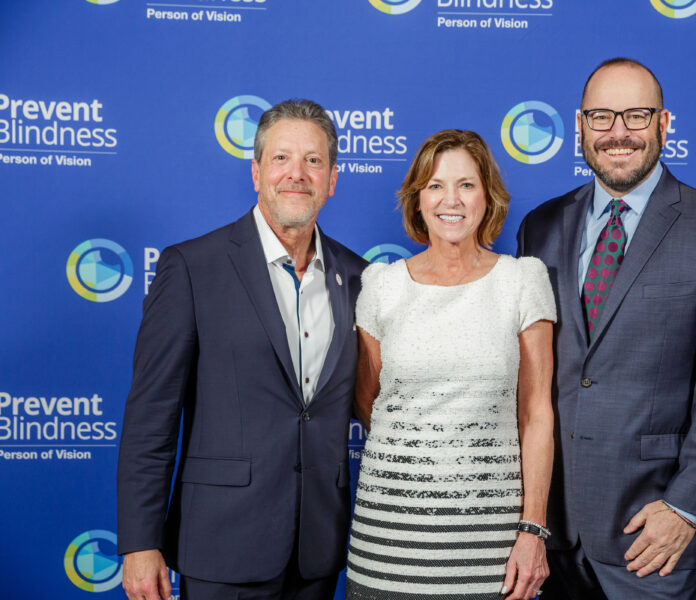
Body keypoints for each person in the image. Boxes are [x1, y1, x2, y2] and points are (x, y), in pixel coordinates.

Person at [516, 58, 696, 599]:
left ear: (664, 123)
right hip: (549, 531)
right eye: (601, 116)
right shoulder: (540, 226)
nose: (618, 132)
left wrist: (686, 507)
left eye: (636, 115)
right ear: (580, 125)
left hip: (649, 535)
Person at [116, 99, 367, 600]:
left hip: (318, 549)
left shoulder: (360, 276)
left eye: (313, 161)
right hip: (222, 545)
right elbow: (151, 418)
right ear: (256, 172)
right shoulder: (192, 267)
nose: (296, 174)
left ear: (332, 179)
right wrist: (140, 543)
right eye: (281, 158)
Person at [346, 129, 556, 600]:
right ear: (418, 199)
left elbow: (536, 414)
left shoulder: (522, 281)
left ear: (488, 196)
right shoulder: (381, 285)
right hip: (387, 540)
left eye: (466, 185)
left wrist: (533, 529)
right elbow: (368, 401)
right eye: (436, 185)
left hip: (493, 547)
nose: (451, 200)